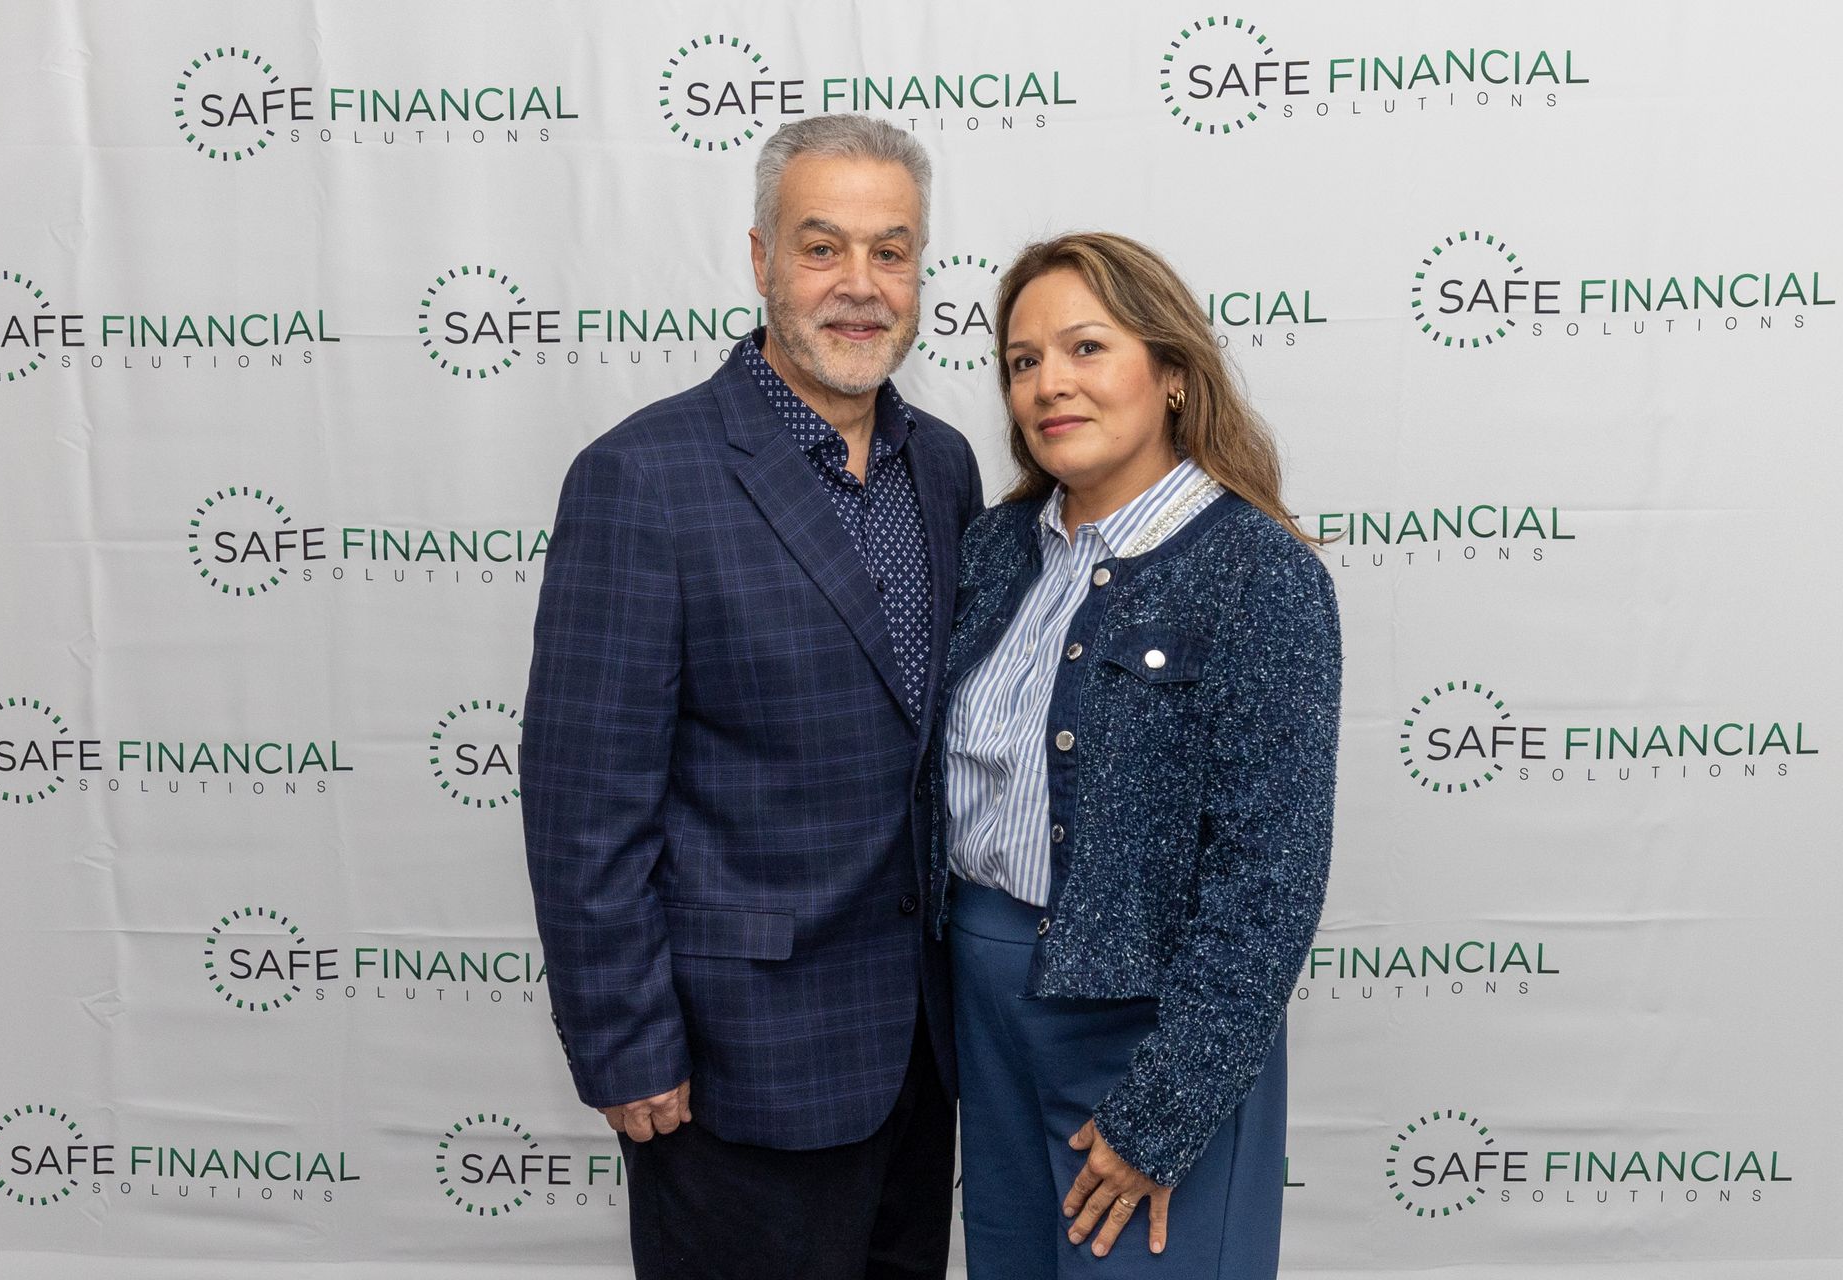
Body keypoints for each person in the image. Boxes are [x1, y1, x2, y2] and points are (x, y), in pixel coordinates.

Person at [520, 113, 982, 1280]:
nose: (861, 287)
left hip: (923, 1055)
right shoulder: (643, 478)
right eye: (823, 248)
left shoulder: (947, 463)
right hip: (734, 1067)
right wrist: (626, 1043)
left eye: (893, 251)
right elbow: (584, 801)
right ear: (761, 258)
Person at [926, 232, 1341, 1278]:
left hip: (1154, 1032)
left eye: (1085, 348)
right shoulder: (995, 547)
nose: (1048, 384)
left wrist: (1166, 1109)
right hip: (984, 1005)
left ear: (1169, 373)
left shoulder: (1257, 571)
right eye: (1023, 362)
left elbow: (1270, 876)